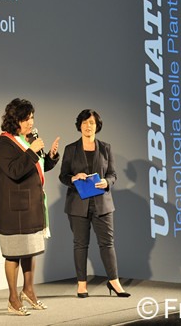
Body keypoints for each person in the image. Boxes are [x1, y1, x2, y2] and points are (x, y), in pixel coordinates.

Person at [0, 98, 60, 316]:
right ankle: (13, 299)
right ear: (15, 120)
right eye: (25, 119)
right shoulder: (3, 144)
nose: (30, 122)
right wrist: (32, 150)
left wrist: (50, 157)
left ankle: (28, 291)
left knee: (30, 252)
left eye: (32, 117)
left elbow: (36, 167)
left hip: (31, 206)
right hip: (12, 210)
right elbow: (14, 171)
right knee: (13, 255)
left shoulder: (28, 140)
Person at [58, 109, 130, 298]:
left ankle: (114, 282)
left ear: (97, 126)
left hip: (102, 204)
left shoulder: (106, 148)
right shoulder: (70, 149)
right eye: (84, 122)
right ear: (79, 125)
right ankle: (82, 285)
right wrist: (74, 178)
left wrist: (107, 182)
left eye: (91, 122)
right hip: (77, 203)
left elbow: (113, 174)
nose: (88, 126)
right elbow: (63, 176)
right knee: (80, 244)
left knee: (107, 243)